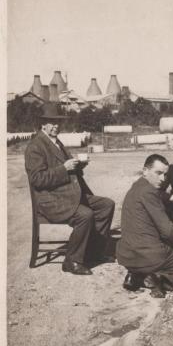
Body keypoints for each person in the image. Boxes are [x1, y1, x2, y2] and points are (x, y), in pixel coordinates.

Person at [25, 103, 115, 275]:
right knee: (85, 215)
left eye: (58, 122)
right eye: (51, 122)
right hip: (51, 200)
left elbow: (68, 170)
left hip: (68, 195)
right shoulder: (35, 146)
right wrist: (64, 169)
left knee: (106, 205)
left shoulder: (56, 142)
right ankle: (72, 261)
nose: (56, 126)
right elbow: (37, 180)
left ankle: (93, 253)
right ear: (42, 124)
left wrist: (79, 166)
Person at [117, 154, 173, 298]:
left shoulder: (137, 186)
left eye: (165, 174)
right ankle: (159, 279)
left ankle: (136, 274)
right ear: (145, 171)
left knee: (163, 246)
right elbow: (167, 231)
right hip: (147, 255)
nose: (162, 179)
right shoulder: (150, 192)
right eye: (158, 173)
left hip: (126, 254)